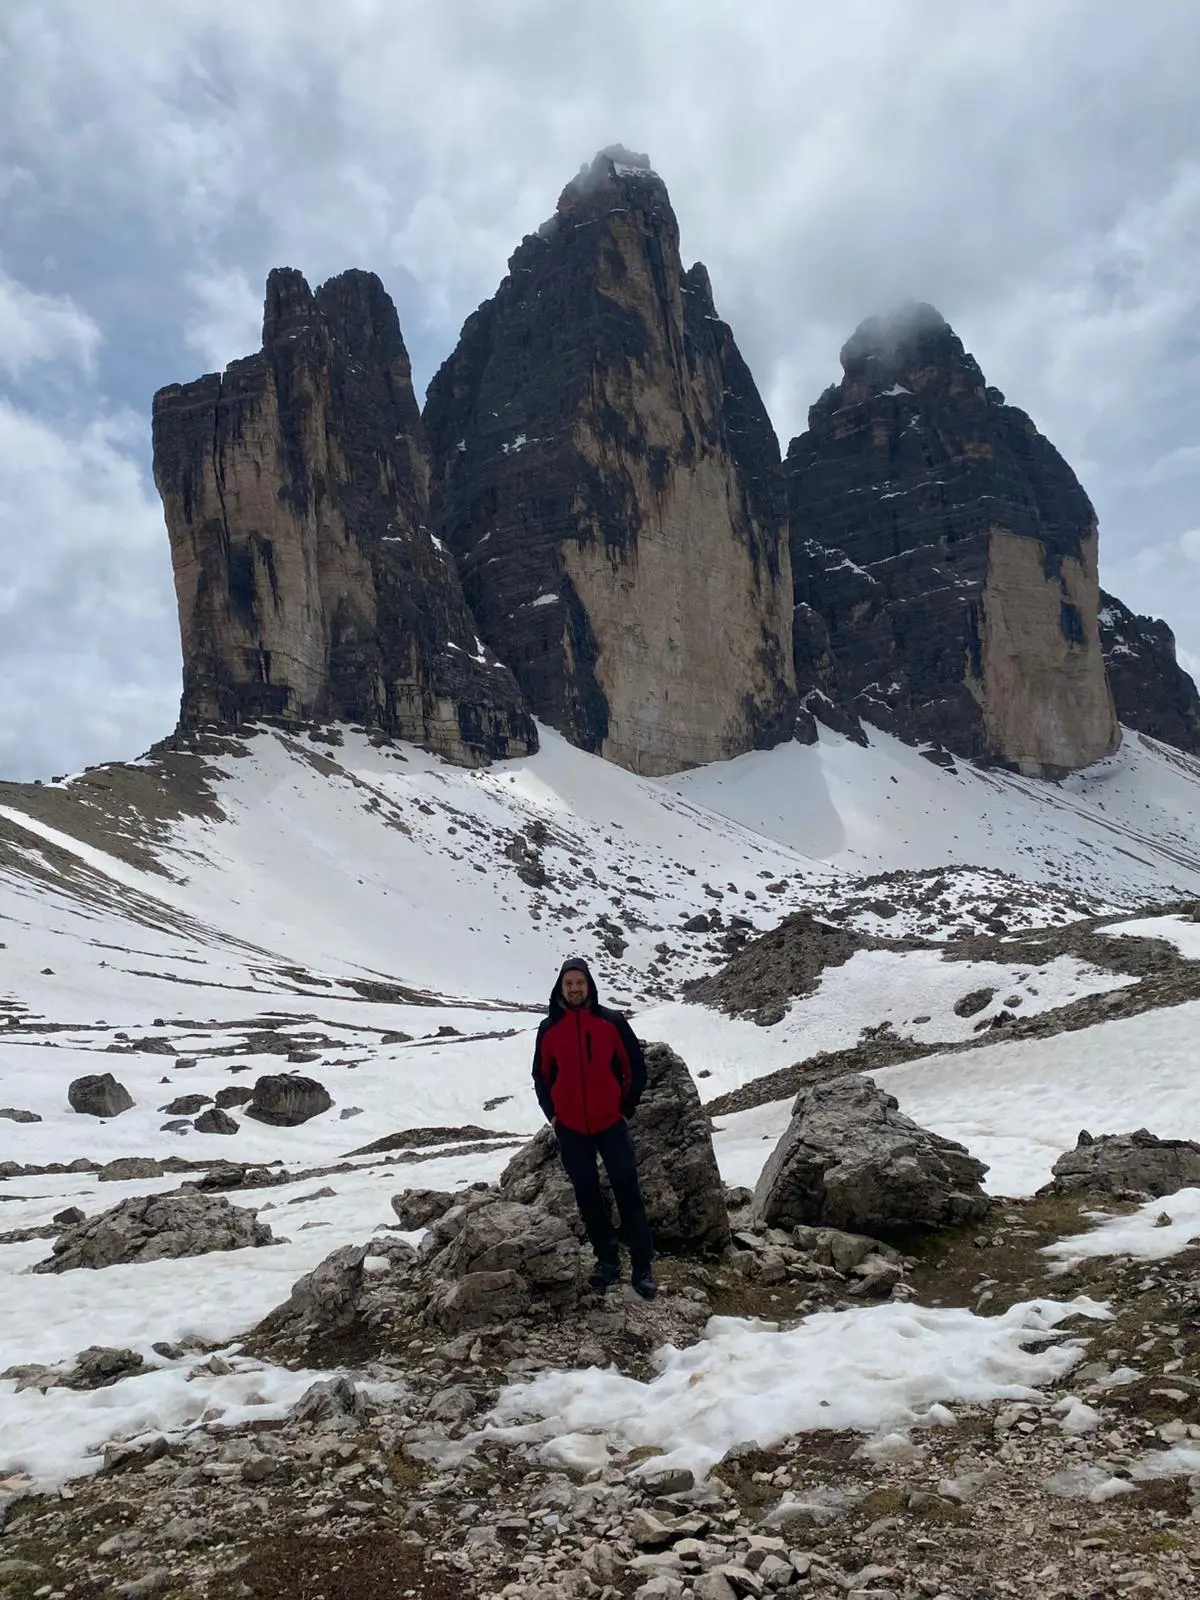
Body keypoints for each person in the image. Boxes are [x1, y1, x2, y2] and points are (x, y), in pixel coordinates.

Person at [532, 956, 657, 1299]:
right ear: (561, 987)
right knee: (587, 1195)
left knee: (627, 1190)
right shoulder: (549, 1029)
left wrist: (626, 1107)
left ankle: (642, 1265)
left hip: (609, 1123)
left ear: (589, 986)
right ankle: (606, 1261)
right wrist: (552, 1115)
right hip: (571, 1127)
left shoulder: (611, 1022)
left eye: (580, 983)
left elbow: (634, 1064)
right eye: (569, 983)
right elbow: (541, 1075)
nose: (574, 988)